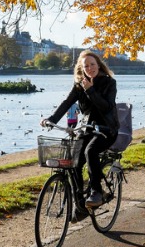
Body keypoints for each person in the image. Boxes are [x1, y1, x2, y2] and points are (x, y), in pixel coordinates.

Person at [40, 50, 119, 221]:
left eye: (92, 64)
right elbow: (66, 103)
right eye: (86, 66)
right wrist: (51, 119)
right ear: (81, 69)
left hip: (107, 130)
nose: (89, 68)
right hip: (88, 129)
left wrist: (91, 90)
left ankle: (96, 191)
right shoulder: (79, 86)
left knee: (90, 151)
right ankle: (81, 204)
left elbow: (106, 107)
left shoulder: (109, 83)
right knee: (73, 160)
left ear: (98, 65)